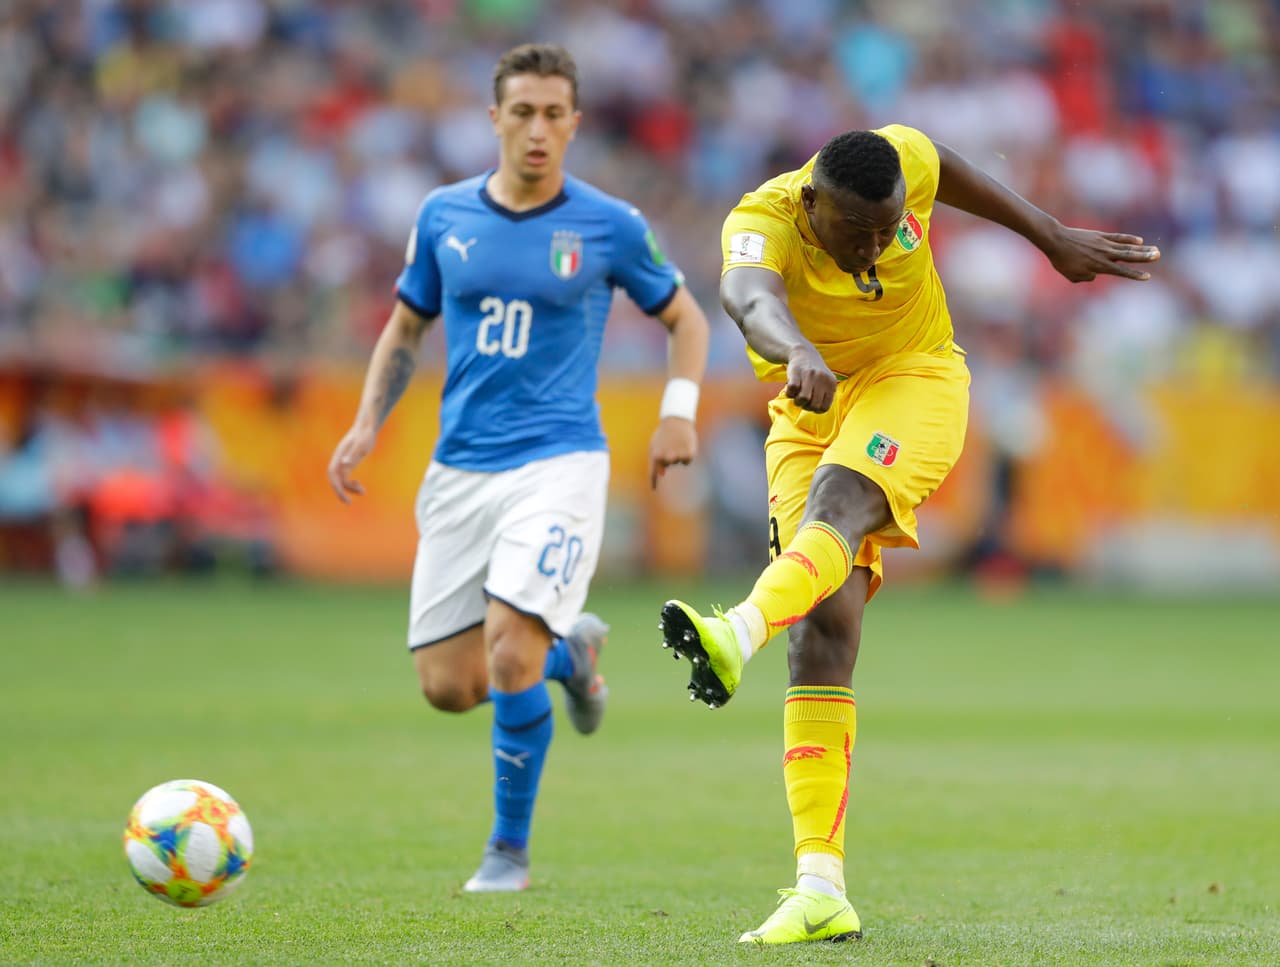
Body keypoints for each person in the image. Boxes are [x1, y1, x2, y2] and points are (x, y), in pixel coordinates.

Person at [660, 125, 1159, 944]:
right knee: (823, 631)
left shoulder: (905, 160)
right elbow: (749, 299)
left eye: (889, 229)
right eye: (857, 231)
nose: (874, 248)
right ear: (812, 202)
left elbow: (950, 169)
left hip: (914, 378)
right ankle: (820, 886)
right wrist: (796, 349)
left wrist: (1049, 236)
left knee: (840, 502)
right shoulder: (761, 220)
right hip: (810, 401)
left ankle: (736, 629)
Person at [329, 43, 709, 893]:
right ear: (494, 117)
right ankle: (572, 656)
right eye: (524, 112)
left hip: (560, 462)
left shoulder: (609, 225)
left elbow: (687, 319)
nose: (538, 130)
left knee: (507, 651)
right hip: (461, 469)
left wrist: (678, 411)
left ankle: (507, 852)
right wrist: (364, 424)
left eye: (554, 115)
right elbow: (406, 327)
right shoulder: (443, 216)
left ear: (575, 124)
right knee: (449, 686)